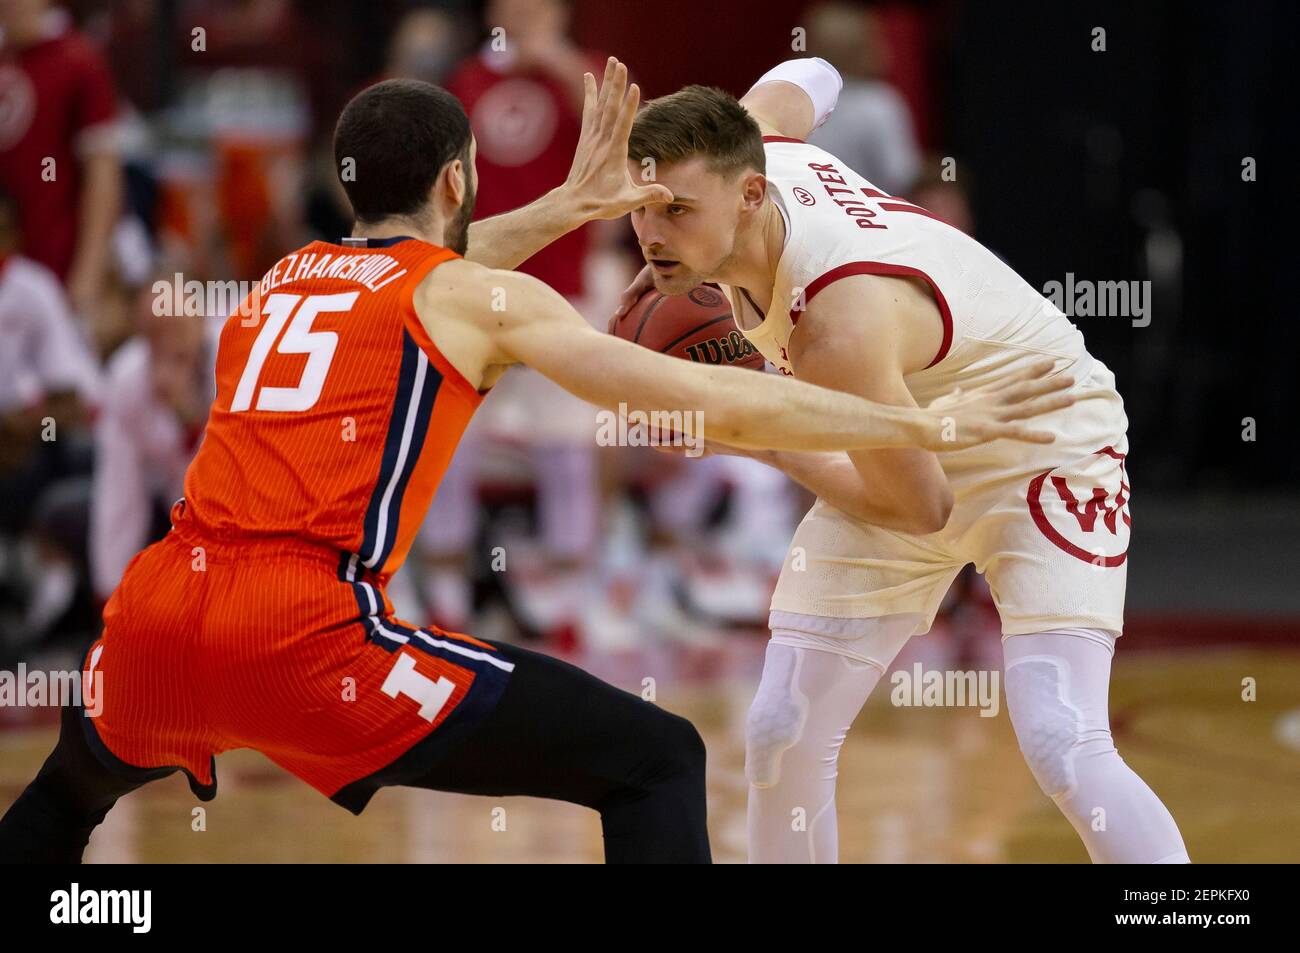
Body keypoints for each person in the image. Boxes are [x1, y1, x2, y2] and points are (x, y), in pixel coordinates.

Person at [0, 59, 1068, 864]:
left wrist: (566, 205)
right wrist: (921, 425)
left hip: (158, 609)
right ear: (461, 178)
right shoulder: (476, 297)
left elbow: (422, 268)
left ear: (343, 182)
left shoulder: (283, 279)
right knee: (657, 758)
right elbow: (691, 388)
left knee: (65, 796)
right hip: (303, 633)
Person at [616, 57, 1187, 863]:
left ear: (749, 196)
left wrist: (752, 432)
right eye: (643, 207)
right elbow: (809, 71)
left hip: (1040, 433)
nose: (651, 231)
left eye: (676, 210)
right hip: (909, 424)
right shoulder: (753, 143)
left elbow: (922, 510)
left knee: (1063, 735)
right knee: (782, 728)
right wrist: (686, 238)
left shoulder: (836, 328)